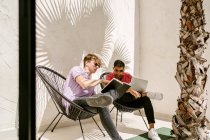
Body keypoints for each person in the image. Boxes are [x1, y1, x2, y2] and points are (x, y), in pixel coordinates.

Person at [62, 53, 123, 140]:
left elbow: (95, 97)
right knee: (98, 100)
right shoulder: (76, 69)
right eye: (95, 64)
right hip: (72, 105)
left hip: (83, 107)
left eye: (98, 65)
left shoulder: (90, 80)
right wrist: (101, 80)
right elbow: (84, 84)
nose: (97, 67)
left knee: (103, 103)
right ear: (87, 62)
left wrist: (107, 91)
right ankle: (101, 99)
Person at [105, 60, 161, 140]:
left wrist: (139, 90)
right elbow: (111, 90)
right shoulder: (110, 77)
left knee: (146, 99)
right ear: (113, 68)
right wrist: (129, 90)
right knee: (126, 92)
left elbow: (135, 87)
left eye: (121, 71)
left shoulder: (127, 76)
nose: (118, 73)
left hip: (132, 100)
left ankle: (151, 130)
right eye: (116, 70)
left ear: (124, 70)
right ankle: (145, 94)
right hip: (119, 101)